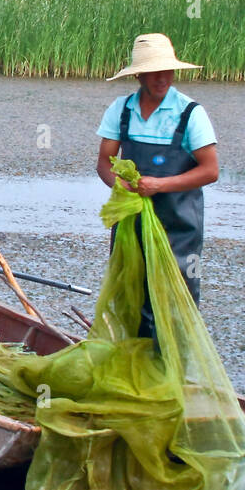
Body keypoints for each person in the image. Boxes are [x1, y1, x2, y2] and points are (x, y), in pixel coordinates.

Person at [95, 33, 218, 339]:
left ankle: (172, 372)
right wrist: (119, 185)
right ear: (139, 75)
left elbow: (210, 170)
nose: (162, 78)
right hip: (131, 225)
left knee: (174, 301)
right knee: (131, 295)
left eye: (167, 71)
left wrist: (160, 185)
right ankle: (135, 365)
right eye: (154, 72)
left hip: (178, 227)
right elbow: (104, 163)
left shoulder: (190, 113)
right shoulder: (122, 110)